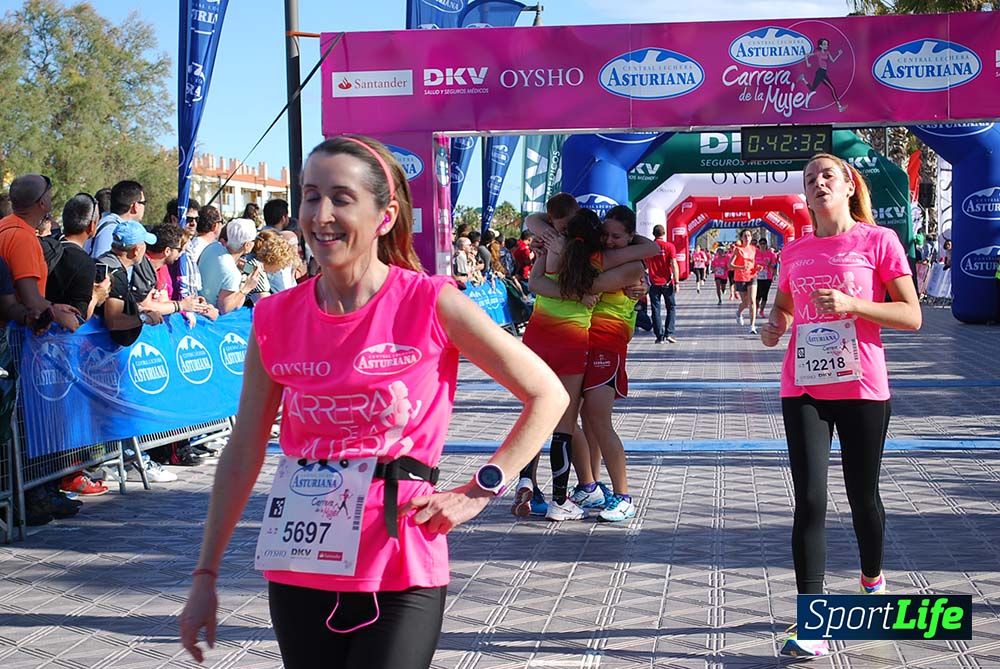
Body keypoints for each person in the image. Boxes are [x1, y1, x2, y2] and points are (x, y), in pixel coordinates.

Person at [179, 135, 568, 668]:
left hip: (401, 557)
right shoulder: (274, 318)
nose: (321, 214)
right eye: (311, 195)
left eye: (341, 197)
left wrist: (479, 490)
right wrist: (205, 575)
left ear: (384, 216)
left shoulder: (431, 301)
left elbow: (547, 393)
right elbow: (244, 450)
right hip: (301, 561)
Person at [759, 153, 920, 658]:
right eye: (810, 179)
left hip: (862, 386)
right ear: (804, 196)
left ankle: (872, 580)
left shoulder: (879, 241)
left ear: (849, 185)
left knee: (862, 498)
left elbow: (912, 316)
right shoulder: (795, 251)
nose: (818, 183)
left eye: (827, 175)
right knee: (809, 499)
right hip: (803, 384)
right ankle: (812, 622)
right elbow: (784, 306)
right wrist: (774, 326)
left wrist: (855, 305)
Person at [518, 205, 657, 521]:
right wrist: (556, 244)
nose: (609, 240)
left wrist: (560, 254)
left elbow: (648, 251)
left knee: (594, 420)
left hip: (606, 347)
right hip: (582, 345)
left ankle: (622, 495)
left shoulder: (631, 266)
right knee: (571, 420)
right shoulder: (598, 256)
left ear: (631, 236)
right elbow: (533, 222)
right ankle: (589, 485)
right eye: (605, 234)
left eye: (617, 236)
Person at [0, 174, 78, 330]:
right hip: (13, 335)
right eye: (48, 191)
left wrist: (53, 306)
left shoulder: (5, 225)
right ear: (42, 203)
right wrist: (62, 318)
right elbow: (31, 300)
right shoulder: (23, 239)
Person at [45, 193, 111, 327]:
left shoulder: (46, 245)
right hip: (53, 338)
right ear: (92, 226)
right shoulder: (84, 264)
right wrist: (97, 295)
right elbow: (78, 317)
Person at [197, 218, 263, 314]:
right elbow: (224, 308)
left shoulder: (214, 247)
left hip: (198, 300)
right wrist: (247, 287)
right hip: (209, 313)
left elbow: (229, 261)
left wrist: (249, 268)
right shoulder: (232, 273)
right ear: (247, 245)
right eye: (254, 240)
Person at [86, 180, 146, 258]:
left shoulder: (114, 225)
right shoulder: (111, 229)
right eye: (144, 203)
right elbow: (104, 266)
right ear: (135, 206)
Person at [647, 224, 680, 344]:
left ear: (653, 233)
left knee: (656, 309)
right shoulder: (669, 246)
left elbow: (644, 265)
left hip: (653, 282)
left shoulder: (649, 247)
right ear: (664, 233)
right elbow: (674, 264)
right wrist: (677, 281)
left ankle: (659, 336)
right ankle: (669, 333)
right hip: (667, 282)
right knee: (671, 307)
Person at [797, 37, 847, 112]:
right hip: (820, 73)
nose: (826, 45)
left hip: (824, 72)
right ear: (820, 46)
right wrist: (807, 63)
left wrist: (839, 54)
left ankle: (803, 78)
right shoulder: (818, 53)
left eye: (827, 44)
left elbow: (832, 60)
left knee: (812, 89)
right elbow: (806, 55)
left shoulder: (827, 52)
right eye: (824, 44)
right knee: (832, 88)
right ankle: (839, 107)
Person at [730, 229, 759, 334]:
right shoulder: (738, 250)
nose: (747, 238)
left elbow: (754, 264)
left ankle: (752, 326)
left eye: (749, 236)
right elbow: (730, 265)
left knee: (752, 301)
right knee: (746, 303)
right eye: (745, 236)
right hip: (740, 278)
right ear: (741, 238)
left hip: (752, 276)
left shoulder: (753, 249)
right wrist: (741, 267)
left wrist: (757, 268)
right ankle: (738, 312)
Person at [755, 238, 778, 318]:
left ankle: (761, 310)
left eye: (764, 243)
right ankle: (756, 308)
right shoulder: (755, 253)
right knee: (757, 295)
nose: (762, 245)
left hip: (767, 277)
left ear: (766, 244)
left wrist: (769, 265)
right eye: (761, 243)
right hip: (757, 277)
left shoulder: (770, 254)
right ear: (759, 244)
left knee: (765, 295)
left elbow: (774, 266)